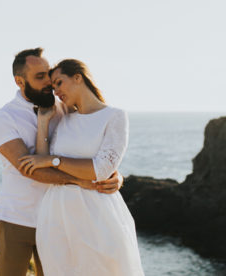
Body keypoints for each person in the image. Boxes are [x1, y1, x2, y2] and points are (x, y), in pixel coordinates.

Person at [0, 48, 123, 276]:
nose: (49, 83)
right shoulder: (4, 117)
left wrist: (115, 175)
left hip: (59, 221)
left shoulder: (64, 108)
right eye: (40, 77)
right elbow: (29, 169)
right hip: (18, 219)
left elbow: (91, 149)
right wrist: (78, 181)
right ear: (20, 81)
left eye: (48, 75)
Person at [18, 59, 144, 276]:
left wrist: (54, 160)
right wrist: (43, 123)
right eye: (53, 86)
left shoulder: (114, 116)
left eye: (59, 83)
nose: (56, 91)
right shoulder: (64, 118)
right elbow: (41, 164)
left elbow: (101, 170)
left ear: (78, 77)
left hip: (97, 212)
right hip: (57, 215)